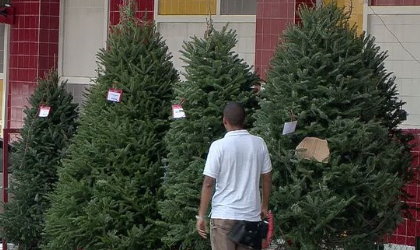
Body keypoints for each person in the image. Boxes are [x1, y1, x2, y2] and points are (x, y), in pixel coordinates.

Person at [196, 102, 272, 250]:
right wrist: (264, 206)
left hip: (223, 217)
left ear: (224, 120)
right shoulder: (259, 143)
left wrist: (201, 216)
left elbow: (208, 183)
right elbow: (267, 177)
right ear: (244, 120)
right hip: (251, 216)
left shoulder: (218, 146)